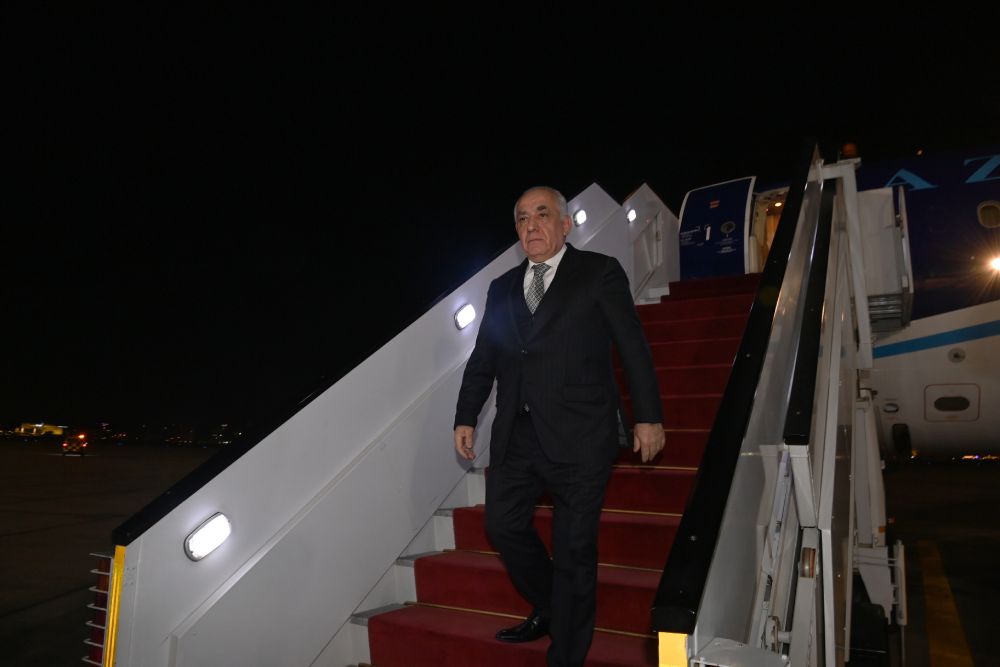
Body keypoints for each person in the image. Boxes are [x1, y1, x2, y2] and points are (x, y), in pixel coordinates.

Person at [453, 186, 665, 667]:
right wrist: (466, 415)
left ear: (565, 224)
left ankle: (566, 654)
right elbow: (484, 356)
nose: (531, 225)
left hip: (581, 436)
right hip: (518, 434)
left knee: (573, 550)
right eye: (522, 218)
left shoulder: (598, 273)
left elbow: (632, 346)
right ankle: (552, 605)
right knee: (502, 525)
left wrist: (648, 417)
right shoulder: (502, 287)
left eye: (542, 214)